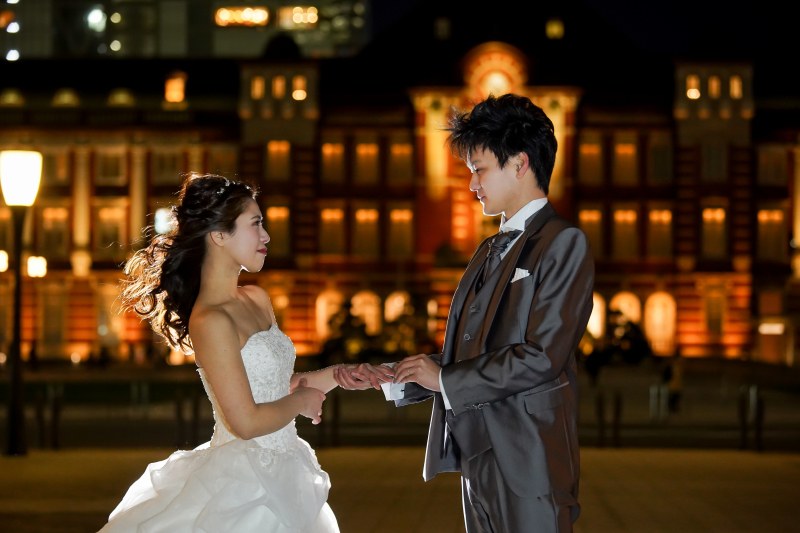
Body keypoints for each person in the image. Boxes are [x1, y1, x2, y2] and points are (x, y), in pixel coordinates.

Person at [337, 94, 595, 533]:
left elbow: (542, 356)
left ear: (519, 163)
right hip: (477, 458)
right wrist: (396, 376)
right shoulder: (487, 249)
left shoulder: (563, 241)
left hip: (531, 459)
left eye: (479, 169)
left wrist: (443, 379)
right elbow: (471, 354)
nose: (472, 184)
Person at [100, 174, 392, 533]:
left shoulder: (256, 298)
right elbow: (246, 422)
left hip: (286, 473)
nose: (267, 236)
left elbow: (272, 387)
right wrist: (302, 400)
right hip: (242, 487)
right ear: (219, 235)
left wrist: (338, 375)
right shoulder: (209, 319)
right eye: (255, 224)